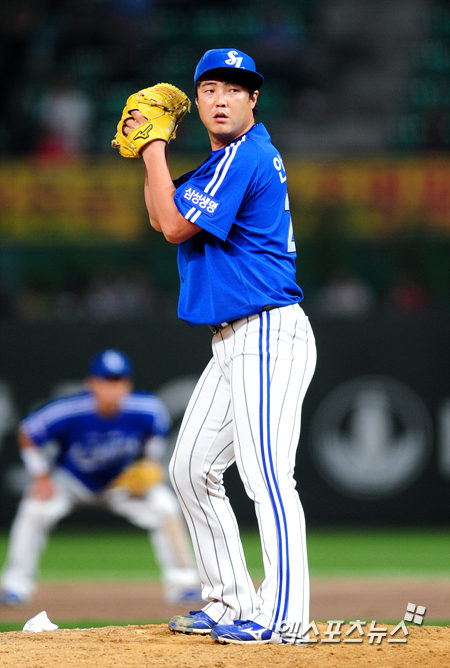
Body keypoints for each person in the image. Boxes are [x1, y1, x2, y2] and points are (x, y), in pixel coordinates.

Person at [122, 48, 317, 644]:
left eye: (235, 89)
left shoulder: (246, 154)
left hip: (267, 333)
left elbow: (174, 226)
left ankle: (283, 616)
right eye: (210, 89)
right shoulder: (221, 163)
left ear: (254, 100)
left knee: (267, 477)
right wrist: (153, 154)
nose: (222, 99)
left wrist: (154, 145)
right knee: (189, 468)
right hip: (235, 340)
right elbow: (161, 216)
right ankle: (230, 599)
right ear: (198, 100)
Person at [0, 349, 200, 606]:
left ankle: (183, 584)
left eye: (118, 380)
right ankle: (16, 585)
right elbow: (28, 431)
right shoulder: (70, 410)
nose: (113, 387)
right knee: (34, 509)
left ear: (127, 384)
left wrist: (148, 463)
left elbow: (156, 432)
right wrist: (41, 477)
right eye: (106, 380)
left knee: (165, 506)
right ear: (92, 383)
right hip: (72, 481)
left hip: (120, 483)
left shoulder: (145, 408)